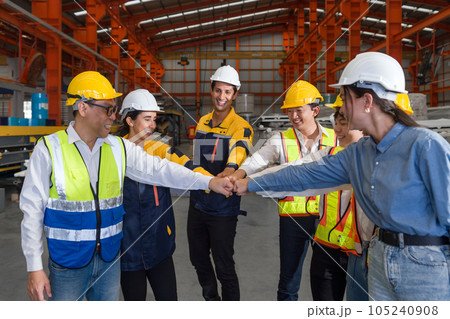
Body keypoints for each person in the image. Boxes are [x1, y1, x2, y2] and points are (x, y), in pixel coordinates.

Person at [234, 52, 450, 301]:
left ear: (367, 101)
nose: (342, 108)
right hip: (378, 257)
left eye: (346, 99)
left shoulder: (425, 145)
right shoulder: (358, 154)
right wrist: (249, 184)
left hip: (424, 263)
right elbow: (303, 174)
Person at [20, 71, 233, 301]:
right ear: (82, 108)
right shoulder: (49, 149)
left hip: (109, 262)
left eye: (114, 109)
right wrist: (34, 267)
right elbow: (32, 210)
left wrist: (209, 181)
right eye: (107, 109)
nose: (113, 116)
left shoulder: (117, 147)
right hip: (68, 264)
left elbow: (161, 170)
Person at [230, 80, 338, 301]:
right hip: (293, 219)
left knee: (327, 280)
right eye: (290, 111)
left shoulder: (335, 138)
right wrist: (237, 176)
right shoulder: (280, 139)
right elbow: (257, 161)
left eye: (299, 110)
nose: (294, 116)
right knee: (289, 282)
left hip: (327, 218)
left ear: (315, 110)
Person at [117, 89, 210, 301]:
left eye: (154, 119)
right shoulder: (114, 152)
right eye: (147, 119)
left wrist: (211, 182)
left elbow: (187, 165)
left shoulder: (159, 148)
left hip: (159, 245)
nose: (152, 125)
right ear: (130, 120)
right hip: (127, 249)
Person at [188, 65, 253, 301]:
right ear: (211, 90)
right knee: (198, 260)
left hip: (222, 208)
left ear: (235, 95)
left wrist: (228, 172)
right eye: (218, 90)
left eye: (227, 92)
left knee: (224, 266)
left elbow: (239, 151)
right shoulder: (203, 121)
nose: (221, 97)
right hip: (197, 203)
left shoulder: (241, 126)